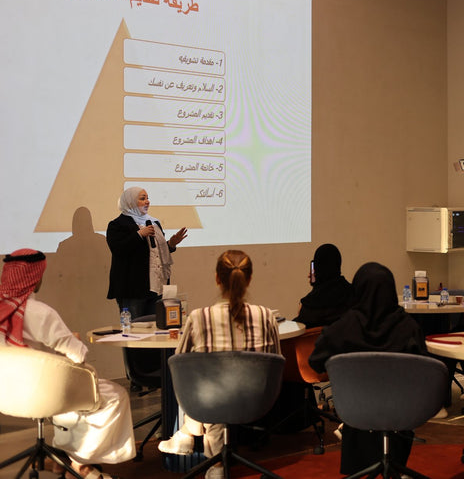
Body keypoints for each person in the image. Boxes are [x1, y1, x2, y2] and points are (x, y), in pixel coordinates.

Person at [0, 249, 135, 479]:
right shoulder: (40, 313)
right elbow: (77, 356)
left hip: (7, 392)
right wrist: (75, 341)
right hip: (45, 392)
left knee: (72, 389)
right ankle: (80, 463)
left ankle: (59, 460)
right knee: (114, 395)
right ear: (35, 277)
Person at [157, 250, 281, 479]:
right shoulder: (266, 316)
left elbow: (181, 362)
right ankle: (212, 461)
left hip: (209, 402)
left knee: (201, 377)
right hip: (256, 400)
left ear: (217, 278)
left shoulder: (199, 317)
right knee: (219, 382)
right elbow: (275, 362)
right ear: (249, 279)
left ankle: (191, 437)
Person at [308, 262, 427, 475]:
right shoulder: (408, 327)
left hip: (355, 410)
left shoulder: (343, 328)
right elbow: (424, 373)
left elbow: (315, 362)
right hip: (402, 410)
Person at [106, 187, 188, 320]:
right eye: (142, 198)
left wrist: (171, 244)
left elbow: (155, 252)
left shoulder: (153, 222)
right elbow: (118, 250)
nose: (147, 201)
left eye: (147, 198)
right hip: (133, 290)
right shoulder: (117, 225)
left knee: (157, 326)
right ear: (130, 201)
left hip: (156, 287)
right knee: (135, 328)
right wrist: (139, 235)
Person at [294, 243, 356, 327]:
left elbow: (300, 326)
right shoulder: (353, 294)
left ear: (318, 269)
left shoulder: (309, 306)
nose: (309, 275)